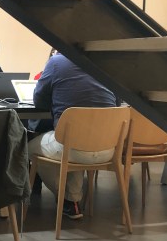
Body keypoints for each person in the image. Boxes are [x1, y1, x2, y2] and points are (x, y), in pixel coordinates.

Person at [27, 52, 117, 220]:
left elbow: (39, 101)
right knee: (76, 140)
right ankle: (72, 201)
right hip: (108, 150)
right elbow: (116, 103)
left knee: (28, 148)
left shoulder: (56, 62)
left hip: (74, 148)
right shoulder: (107, 65)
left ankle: (66, 197)